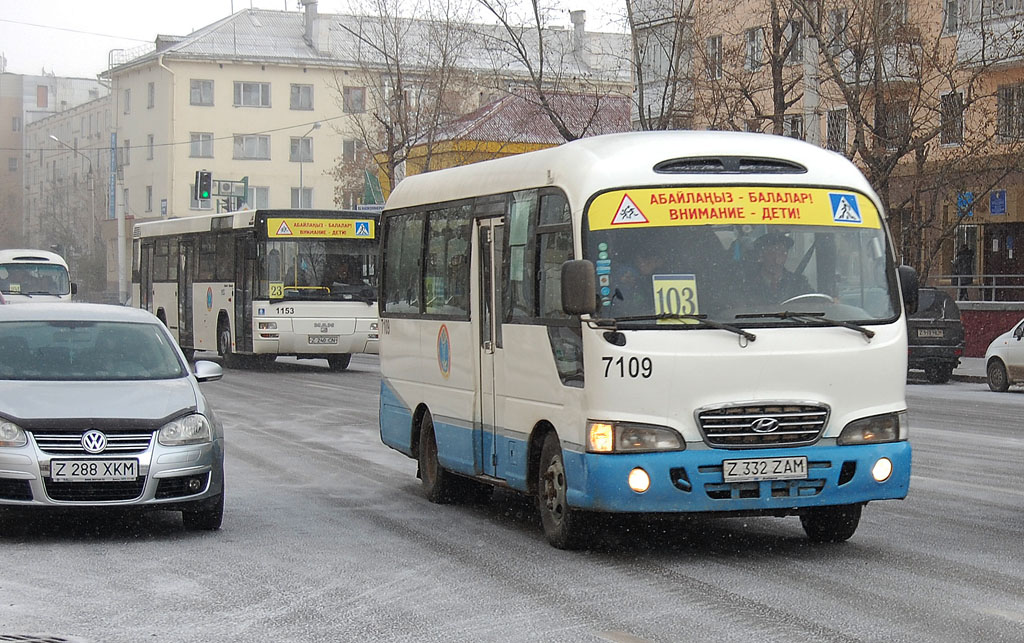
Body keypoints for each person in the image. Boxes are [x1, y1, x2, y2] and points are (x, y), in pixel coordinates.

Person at [744, 231, 811, 305]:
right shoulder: (746, 285)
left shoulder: (799, 283)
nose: (777, 259)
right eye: (772, 252)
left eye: (782, 252)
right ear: (760, 256)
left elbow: (816, 304)